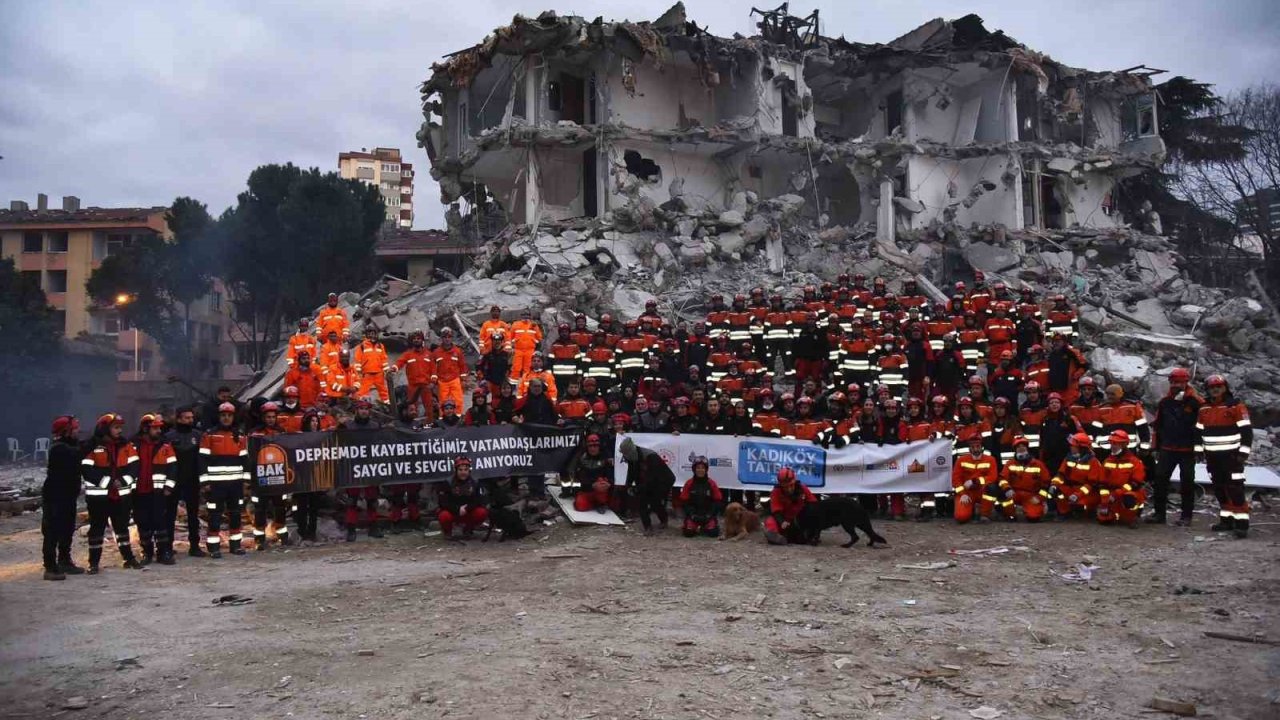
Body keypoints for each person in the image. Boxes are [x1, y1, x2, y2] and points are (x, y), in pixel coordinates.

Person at [1196, 375, 1252, 537]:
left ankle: (1242, 524)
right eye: (1212, 387)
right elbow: (1198, 431)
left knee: (1235, 488)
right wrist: (1199, 450)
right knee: (1219, 488)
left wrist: (1243, 452)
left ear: (1225, 387)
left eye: (1218, 386)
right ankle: (1226, 520)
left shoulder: (1235, 407)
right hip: (1213, 457)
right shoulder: (1204, 408)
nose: (1215, 389)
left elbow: (1246, 432)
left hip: (1232, 457)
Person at [1148, 367, 1201, 525]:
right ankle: (1159, 515)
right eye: (1173, 382)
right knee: (1160, 481)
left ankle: (1186, 517)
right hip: (1167, 448)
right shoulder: (1165, 402)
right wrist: (1156, 447)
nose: (1176, 385)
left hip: (1187, 450)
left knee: (1187, 483)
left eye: (1180, 382)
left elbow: (1202, 426)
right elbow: (1158, 425)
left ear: (1186, 382)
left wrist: (1199, 449)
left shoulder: (1196, 402)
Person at [199, 403, 250, 557]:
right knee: (214, 516)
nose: (226, 418)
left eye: (229, 415)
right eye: (223, 415)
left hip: (235, 485)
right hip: (216, 486)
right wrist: (205, 483)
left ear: (233, 417)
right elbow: (202, 460)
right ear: (219, 416)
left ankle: (235, 546)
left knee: (235, 515)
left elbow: (245, 460)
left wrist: (246, 482)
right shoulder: (209, 435)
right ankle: (214, 548)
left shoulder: (239, 436)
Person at [42, 416, 84, 580]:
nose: (77, 431)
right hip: (55, 496)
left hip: (68, 495)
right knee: (52, 531)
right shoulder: (59, 448)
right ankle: (50, 567)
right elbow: (77, 453)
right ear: (65, 431)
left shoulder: (69, 445)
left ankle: (65, 560)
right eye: (74, 429)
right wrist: (94, 441)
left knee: (67, 529)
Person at [132, 414, 176, 564]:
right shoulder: (133, 445)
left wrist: (169, 487)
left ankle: (163, 553)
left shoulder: (165, 445)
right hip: (138, 492)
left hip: (158, 491)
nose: (158, 431)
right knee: (143, 523)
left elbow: (173, 467)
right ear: (145, 429)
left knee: (160, 523)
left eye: (159, 428)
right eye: (155, 428)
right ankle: (147, 553)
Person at [163, 406, 205, 557]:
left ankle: (195, 546)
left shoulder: (198, 436)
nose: (190, 420)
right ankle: (167, 546)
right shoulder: (168, 437)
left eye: (191, 418)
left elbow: (202, 460)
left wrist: (203, 480)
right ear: (179, 418)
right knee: (169, 515)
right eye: (187, 418)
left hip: (192, 480)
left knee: (193, 515)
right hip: (174, 480)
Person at [249, 403, 292, 550]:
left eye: (274, 417)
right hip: (260, 477)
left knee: (280, 508)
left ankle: (282, 536)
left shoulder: (282, 432)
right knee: (260, 509)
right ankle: (260, 539)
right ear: (263, 417)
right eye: (268, 417)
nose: (271, 419)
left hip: (278, 475)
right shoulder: (255, 433)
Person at [340, 401, 384, 541]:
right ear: (356, 411)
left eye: (366, 409)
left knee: (372, 500)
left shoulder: (375, 426)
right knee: (352, 501)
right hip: (353, 468)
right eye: (361, 409)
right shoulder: (347, 426)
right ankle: (351, 529)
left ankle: (373, 527)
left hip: (371, 467)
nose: (364, 411)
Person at [619, 437, 676, 534]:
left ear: (631, 451)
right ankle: (648, 527)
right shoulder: (631, 457)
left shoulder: (651, 457)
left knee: (655, 501)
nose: (625, 456)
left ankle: (664, 520)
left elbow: (652, 479)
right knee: (642, 503)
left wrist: (638, 489)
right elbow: (631, 472)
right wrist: (628, 485)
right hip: (649, 480)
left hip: (664, 480)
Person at [1096, 430, 1146, 528]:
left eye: (1116, 443)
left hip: (1129, 493)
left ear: (1124, 445)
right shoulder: (1107, 461)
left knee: (1129, 499)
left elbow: (1135, 483)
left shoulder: (1135, 462)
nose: (1113, 446)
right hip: (1112, 495)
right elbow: (1102, 483)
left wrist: (1118, 493)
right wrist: (1104, 500)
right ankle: (1111, 512)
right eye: (1112, 443)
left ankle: (1133, 517)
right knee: (1104, 520)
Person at [1050, 432, 1102, 520]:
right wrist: (1054, 484)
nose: (1071, 447)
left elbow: (1092, 483)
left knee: (1080, 505)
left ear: (1081, 448)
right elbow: (1060, 475)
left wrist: (1078, 494)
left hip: (1087, 491)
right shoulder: (1068, 458)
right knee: (1058, 491)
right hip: (1071, 488)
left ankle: (1089, 510)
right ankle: (1064, 512)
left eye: (1073, 446)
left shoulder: (1093, 461)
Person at [996, 436, 1049, 522]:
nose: (1021, 448)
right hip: (1014, 493)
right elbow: (1002, 479)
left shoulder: (1038, 464)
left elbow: (1046, 483)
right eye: (1018, 447)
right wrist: (1007, 489)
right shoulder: (1010, 464)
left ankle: (1037, 509)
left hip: (1031, 495)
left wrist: (1040, 498)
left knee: (1033, 517)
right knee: (1006, 505)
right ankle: (1008, 513)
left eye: (1023, 446)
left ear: (1027, 448)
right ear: (1015, 449)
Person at [951, 428, 997, 524]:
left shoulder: (990, 460)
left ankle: (985, 514)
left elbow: (993, 477)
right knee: (961, 517)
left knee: (992, 488)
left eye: (978, 446)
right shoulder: (961, 460)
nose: (975, 449)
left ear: (982, 447)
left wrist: (975, 481)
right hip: (967, 492)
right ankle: (970, 510)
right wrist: (962, 493)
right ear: (969, 448)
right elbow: (955, 479)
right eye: (973, 447)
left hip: (982, 490)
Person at [437, 457, 489, 539]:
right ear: (456, 470)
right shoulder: (448, 483)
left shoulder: (475, 482)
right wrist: (457, 509)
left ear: (469, 471)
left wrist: (467, 508)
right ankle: (448, 532)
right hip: (453, 512)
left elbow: (480, 500)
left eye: (465, 470)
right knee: (443, 515)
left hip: (468, 512)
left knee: (481, 512)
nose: (463, 472)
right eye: (460, 470)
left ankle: (468, 529)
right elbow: (443, 502)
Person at [293, 411, 325, 541]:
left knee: (314, 506)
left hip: (316, 477)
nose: (315, 423)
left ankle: (312, 531)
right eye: (312, 421)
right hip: (301, 477)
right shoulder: (297, 437)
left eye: (316, 421)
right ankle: (302, 530)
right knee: (302, 505)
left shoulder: (321, 437)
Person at [764, 467, 816, 545]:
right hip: (784, 521)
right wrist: (782, 522)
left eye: (791, 485)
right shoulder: (776, 492)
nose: (788, 489)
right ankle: (776, 537)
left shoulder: (803, 489)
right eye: (785, 487)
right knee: (769, 521)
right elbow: (776, 511)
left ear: (794, 481)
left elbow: (814, 504)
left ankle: (805, 536)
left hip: (799, 521)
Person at [396, 330, 437, 422]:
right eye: (414, 339)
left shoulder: (429, 354)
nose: (416, 340)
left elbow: (434, 370)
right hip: (413, 386)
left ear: (422, 340)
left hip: (426, 385)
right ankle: (413, 425)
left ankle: (430, 423)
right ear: (411, 341)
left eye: (418, 338)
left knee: (429, 406)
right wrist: (393, 369)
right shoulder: (408, 354)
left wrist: (433, 382)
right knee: (412, 407)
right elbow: (400, 362)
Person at [679, 456, 723, 538]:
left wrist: (709, 515)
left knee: (713, 533)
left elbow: (717, 501)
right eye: (698, 468)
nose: (700, 470)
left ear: (706, 470)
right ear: (694, 469)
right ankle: (696, 527)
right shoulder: (689, 483)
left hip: (708, 515)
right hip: (693, 515)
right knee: (688, 533)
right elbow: (684, 502)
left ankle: (703, 527)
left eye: (703, 468)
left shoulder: (711, 483)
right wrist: (692, 515)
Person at [572, 434, 615, 513]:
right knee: (580, 507)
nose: (593, 448)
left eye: (595, 446)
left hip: (602, 489)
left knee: (602, 481)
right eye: (590, 446)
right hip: (587, 489)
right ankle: (594, 503)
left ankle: (601, 503)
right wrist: (592, 485)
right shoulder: (581, 459)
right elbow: (580, 477)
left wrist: (609, 483)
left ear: (599, 446)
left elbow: (611, 475)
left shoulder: (606, 459)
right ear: (587, 447)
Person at [432, 328, 469, 412]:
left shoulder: (457, 351)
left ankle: (458, 418)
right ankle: (443, 420)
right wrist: (434, 381)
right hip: (442, 382)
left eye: (449, 337)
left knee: (458, 401)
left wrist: (463, 380)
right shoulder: (436, 353)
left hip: (455, 380)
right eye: (445, 337)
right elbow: (432, 368)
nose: (447, 339)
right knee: (443, 402)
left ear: (452, 338)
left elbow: (463, 366)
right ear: (441, 338)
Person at [353, 325, 392, 404]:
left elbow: (384, 360)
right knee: (362, 391)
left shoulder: (380, 346)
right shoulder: (361, 346)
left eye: (373, 333)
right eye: (369, 333)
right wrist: (358, 373)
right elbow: (357, 360)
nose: (371, 335)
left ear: (376, 334)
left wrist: (387, 371)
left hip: (379, 374)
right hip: (367, 374)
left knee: (384, 392)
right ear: (366, 335)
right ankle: (362, 405)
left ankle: (387, 405)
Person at [509, 308, 543, 380]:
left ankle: (526, 385)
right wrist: (511, 347)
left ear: (530, 316)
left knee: (528, 368)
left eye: (527, 315)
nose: (526, 316)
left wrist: (534, 339)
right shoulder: (515, 325)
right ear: (521, 316)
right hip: (518, 350)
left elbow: (539, 337)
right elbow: (510, 337)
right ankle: (513, 385)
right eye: (524, 315)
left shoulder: (534, 325)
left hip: (530, 350)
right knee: (516, 368)